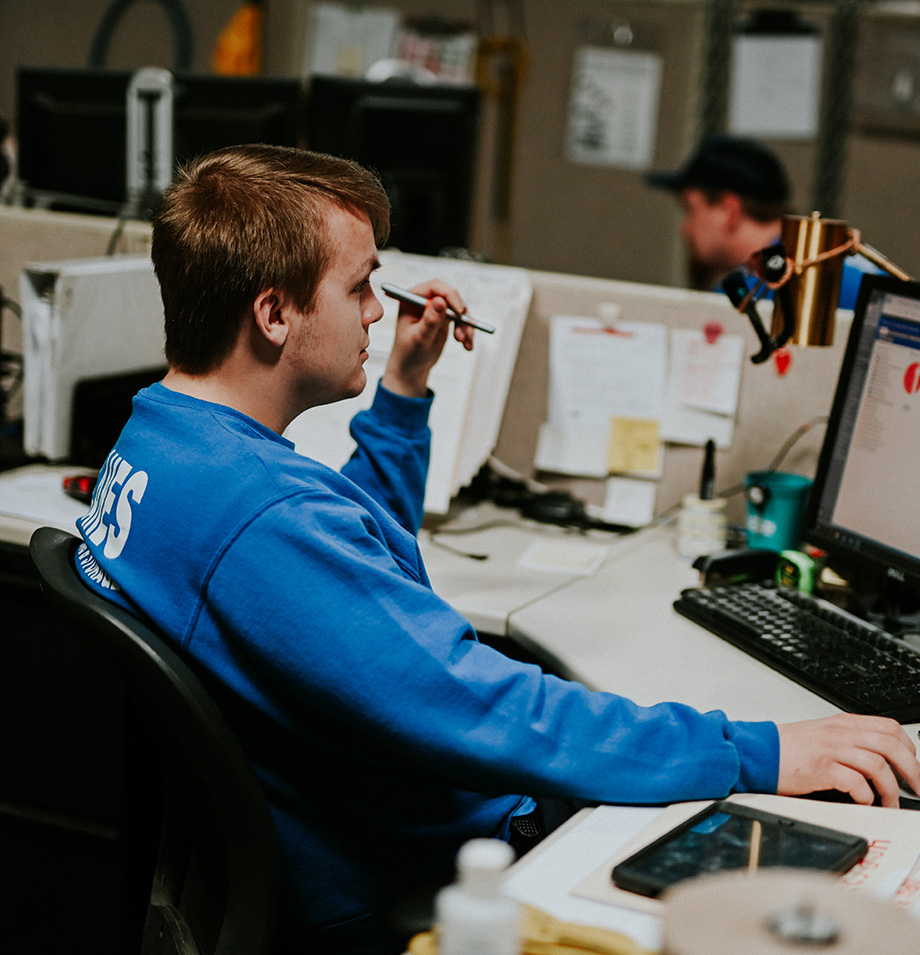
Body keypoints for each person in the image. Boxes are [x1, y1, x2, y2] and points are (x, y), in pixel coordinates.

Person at [74, 144, 919, 954]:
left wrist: (403, 390)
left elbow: (345, 565)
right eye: (362, 286)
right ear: (274, 312)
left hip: (323, 844)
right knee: (840, 886)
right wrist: (764, 749)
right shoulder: (263, 516)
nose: (378, 310)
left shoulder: (163, 443)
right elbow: (488, 709)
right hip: (425, 875)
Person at [646, 134, 880, 307]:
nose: (684, 229)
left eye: (690, 209)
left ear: (730, 210)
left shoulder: (759, 291)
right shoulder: (845, 262)